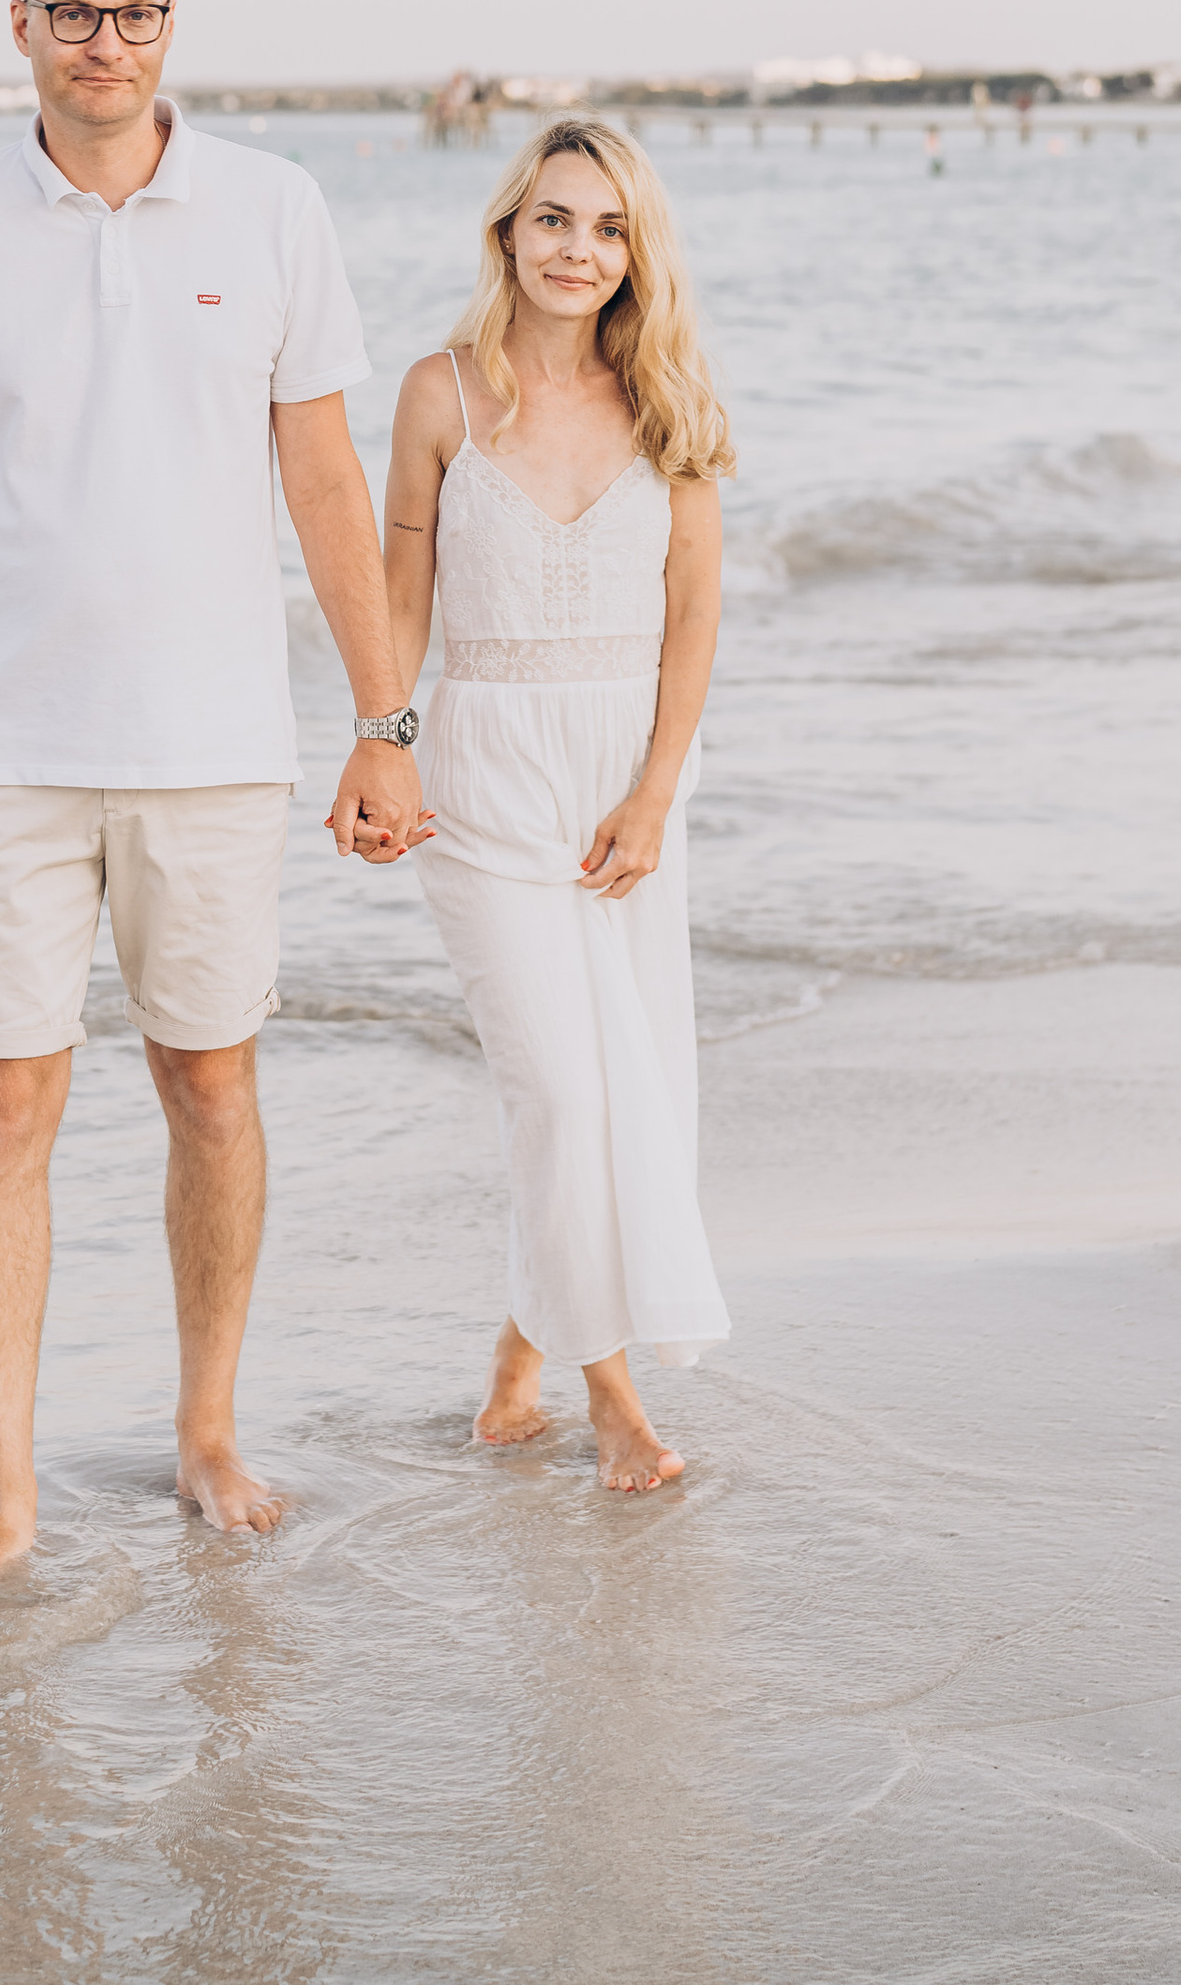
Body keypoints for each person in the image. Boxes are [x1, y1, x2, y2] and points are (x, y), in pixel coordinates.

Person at [0, 0, 425, 1607]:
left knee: (210, 1086)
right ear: (16, 28)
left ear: (175, 27)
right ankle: (6, 1500)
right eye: (73, 14)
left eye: (138, 13)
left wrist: (386, 726)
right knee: (5, 1106)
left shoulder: (274, 208)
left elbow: (325, 480)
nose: (108, 42)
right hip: (3, 745)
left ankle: (208, 1432)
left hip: (214, 742)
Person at [381, 118, 733, 1490]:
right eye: (553, 220)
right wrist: (380, 743)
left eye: (607, 227)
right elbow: (396, 594)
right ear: (507, 234)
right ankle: (613, 1401)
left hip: (624, 780)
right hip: (481, 769)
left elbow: (695, 618)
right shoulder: (439, 396)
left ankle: (518, 1359)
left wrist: (654, 792)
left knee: (624, 1085)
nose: (577, 250)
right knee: (560, 1098)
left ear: (636, 251)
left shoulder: (674, 404)